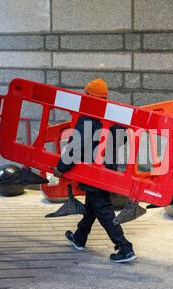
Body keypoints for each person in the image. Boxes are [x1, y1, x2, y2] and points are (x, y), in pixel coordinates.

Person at [53, 79, 137, 263]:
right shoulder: (113, 114)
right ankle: (79, 238)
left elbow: (76, 147)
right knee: (92, 205)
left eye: (86, 94)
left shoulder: (87, 116)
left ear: (89, 96)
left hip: (92, 172)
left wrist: (60, 168)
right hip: (107, 170)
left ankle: (124, 247)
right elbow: (121, 139)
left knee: (102, 208)